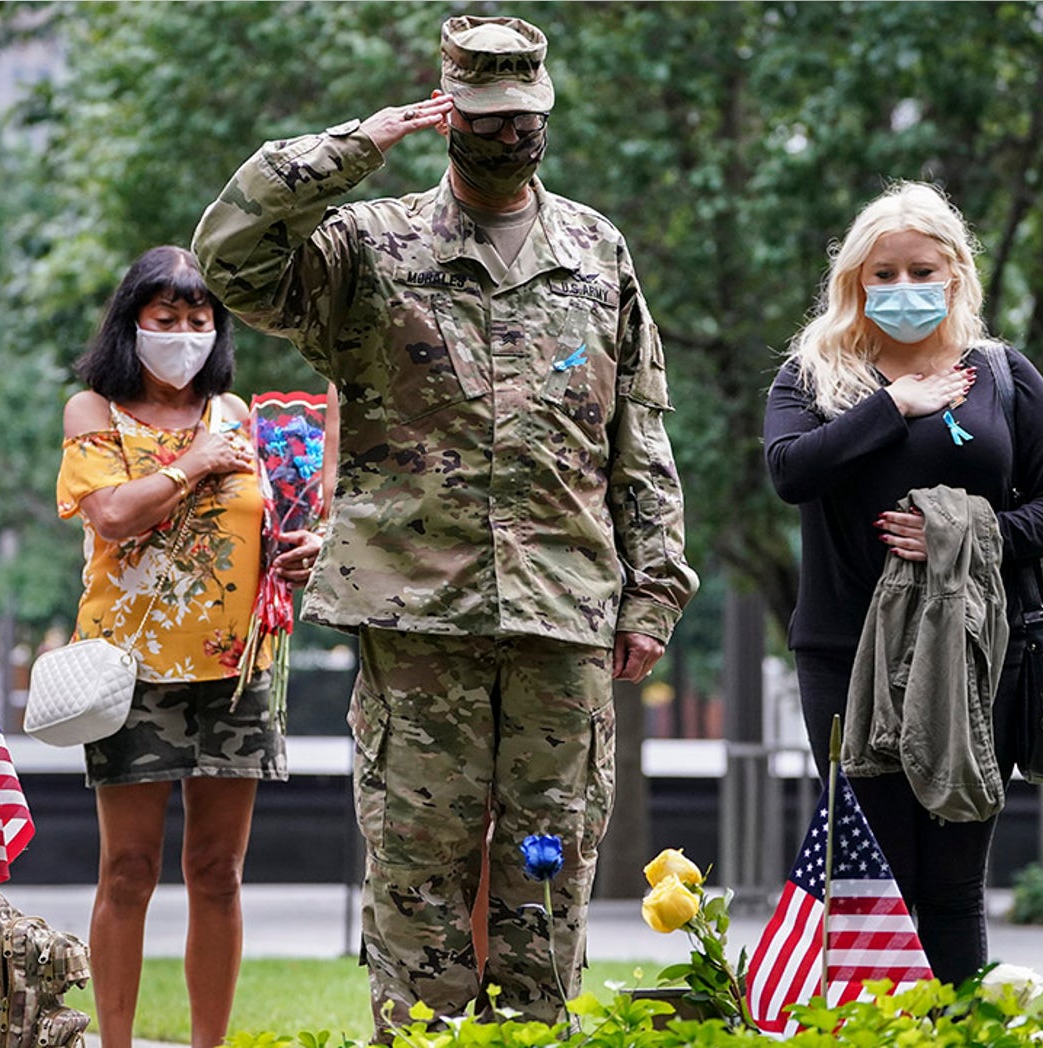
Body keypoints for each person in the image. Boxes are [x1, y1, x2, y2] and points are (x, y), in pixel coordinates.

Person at [193, 16, 698, 1033]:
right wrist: (357, 144)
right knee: (418, 871)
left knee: (547, 868)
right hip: (416, 613)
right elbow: (229, 259)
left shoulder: (595, 251)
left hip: (563, 613)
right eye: (486, 118)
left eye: (526, 117)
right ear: (446, 115)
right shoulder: (369, 246)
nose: (512, 137)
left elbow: (636, 428)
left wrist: (653, 588)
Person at [763, 181, 1043, 983]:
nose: (903, 289)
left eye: (921, 271)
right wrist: (894, 406)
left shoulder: (1003, 376)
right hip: (845, 659)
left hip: (978, 657)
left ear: (955, 275)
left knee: (951, 883)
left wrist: (969, 536)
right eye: (883, 274)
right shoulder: (813, 376)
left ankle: (960, 1030)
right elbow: (789, 472)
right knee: (873, 879)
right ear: (854, 281)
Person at [55, 245, 324, 1048]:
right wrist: (193, 464)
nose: (182, 335)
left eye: (198, 320)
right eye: (164, 319)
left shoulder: (241, 415)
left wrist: (297, 550)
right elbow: (109, 515)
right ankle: (116, 1043)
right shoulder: (93, 412)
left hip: (235, 671)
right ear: (130, 324)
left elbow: (259, 523)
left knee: (218, 872)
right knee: (128, 870)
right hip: (127, 674)